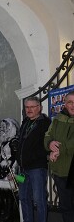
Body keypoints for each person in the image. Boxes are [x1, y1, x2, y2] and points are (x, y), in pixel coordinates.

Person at [17, 96, 51, 222]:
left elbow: (47, 145)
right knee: (23, 198)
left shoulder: (45, 124)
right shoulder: (25, 123)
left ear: (39, 108)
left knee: (39, 199)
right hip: (22, 169)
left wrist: (32, 157)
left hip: (37, 168)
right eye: (27, 107)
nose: (29, 109)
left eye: (32, 107)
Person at [44, 91, 74, 222]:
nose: (73, 105)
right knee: (65, 207)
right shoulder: (57, 119)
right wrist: (50, 144)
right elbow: (47, 135)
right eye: (70, 102)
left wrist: (58, 150)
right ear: (65, 103)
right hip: (60, 172)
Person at [0, 118, 20, 222]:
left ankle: (9, 214)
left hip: (11, 171)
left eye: (5, 127)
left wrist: (10, 166)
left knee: (9, 193)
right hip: (2, 170)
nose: (3, 129)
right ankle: (6, 211)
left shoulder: (14, 141)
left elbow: (17, 157)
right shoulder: (5, 141)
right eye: (2, 127)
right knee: (2, 191)